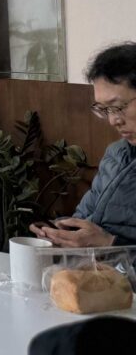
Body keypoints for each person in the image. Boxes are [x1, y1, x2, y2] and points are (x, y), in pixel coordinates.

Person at [30, 42, 136, 248]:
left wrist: (110, 245)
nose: (113, 121)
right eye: (105, 110)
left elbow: (103, 241)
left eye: (117, 107)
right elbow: (85, 218)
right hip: (95, 275)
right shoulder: (116, 153)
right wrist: (59, 232)